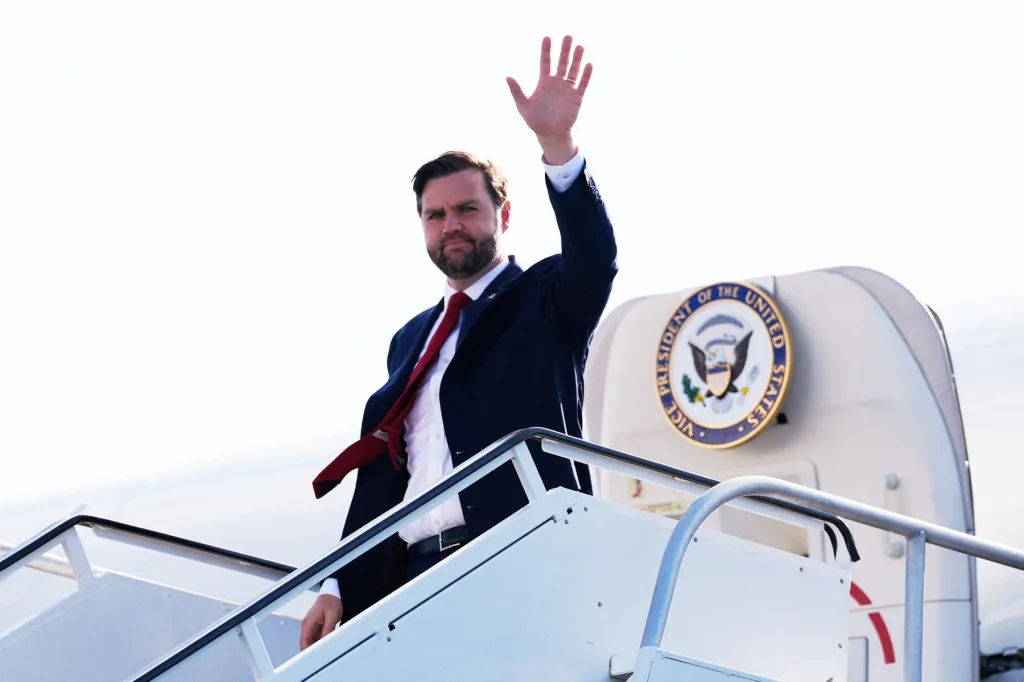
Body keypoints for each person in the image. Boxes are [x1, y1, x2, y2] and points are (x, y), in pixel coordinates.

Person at [299, 34, 618, 651]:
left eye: (468, 210)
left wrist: (558, 145)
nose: (452, 226)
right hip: (415, 581)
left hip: (516, 558)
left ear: (503, 214)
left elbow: (596, 257)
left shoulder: (546, 300)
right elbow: (388, 475)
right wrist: (337, 583)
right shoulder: (411, 339)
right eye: (435, 215)